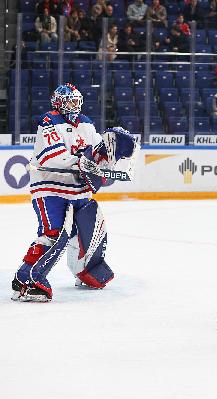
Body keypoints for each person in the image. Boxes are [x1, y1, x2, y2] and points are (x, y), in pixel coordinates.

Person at [11, 83, 136, 302]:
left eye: (77, 101)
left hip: (79, 190)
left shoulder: (86, 123)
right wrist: (83, 162)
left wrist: (111, 149)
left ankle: (87, 272)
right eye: (70, 101)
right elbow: (52, 156)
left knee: (93, 231)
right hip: (51, 188)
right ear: (58, 103)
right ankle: (27, 279)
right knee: (54, 235)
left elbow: (97, 153)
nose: (74, 105)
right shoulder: (49, 121)